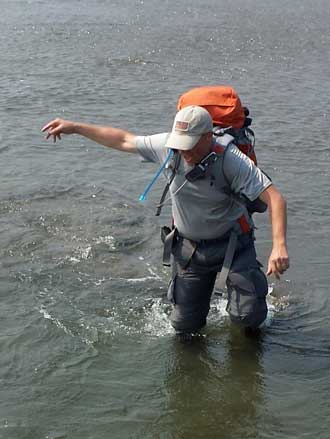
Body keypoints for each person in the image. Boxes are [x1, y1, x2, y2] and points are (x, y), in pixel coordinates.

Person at [42, 105, 289, 334]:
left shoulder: (231, 160)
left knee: (248, 319)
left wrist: (279, 245)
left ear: (207, 137)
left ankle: (254, 305)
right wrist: (75, 127)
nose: (185, 151)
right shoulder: (168, 147)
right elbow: (123, 139)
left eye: (191, 144)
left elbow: (275, 199)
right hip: (190, 249)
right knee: (184, 326)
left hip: (233, 246)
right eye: (181, 144)